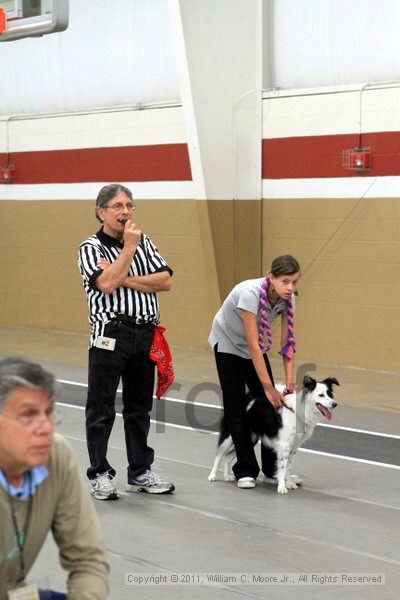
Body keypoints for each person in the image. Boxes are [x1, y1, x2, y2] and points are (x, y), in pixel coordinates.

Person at [78, 184, 174, 500]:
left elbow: (165, 280)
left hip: (144, 333)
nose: (125, 212)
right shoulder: (91, 248)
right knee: (102, 407)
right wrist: (129, 250)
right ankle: (100, 474)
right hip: (110, 334)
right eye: (118, 206)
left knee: (138, 408)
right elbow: (105, 283)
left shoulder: (144, 241)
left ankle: (140, 471)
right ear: (101, 211)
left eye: (130, 206)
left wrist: (126, 278)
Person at [0, 357, 109, 600]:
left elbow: (88, 560)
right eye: (28, 415)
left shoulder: (55, 456)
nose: (45, 427)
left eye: (48, 413)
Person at [208, 255, 301, 489]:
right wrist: (268, 387)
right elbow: (253, 345)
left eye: (295, 282)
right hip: (228, 344)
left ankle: (272, 470)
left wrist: (289, 383)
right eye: (285, 281)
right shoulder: (249, 293)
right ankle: (245, 469)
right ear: (272, 279)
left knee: (272, 406)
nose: (290, 288)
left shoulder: (288, 300)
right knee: (236, 406)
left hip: (253, 349)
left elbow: (287, 345)